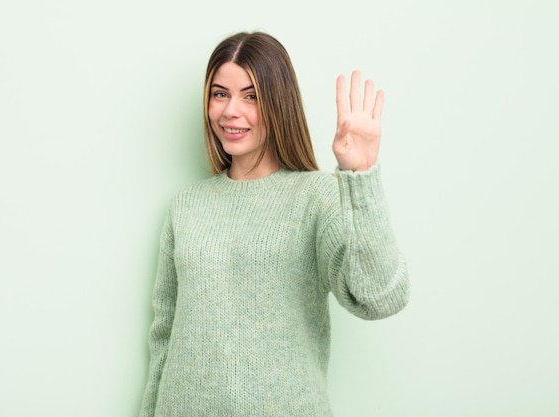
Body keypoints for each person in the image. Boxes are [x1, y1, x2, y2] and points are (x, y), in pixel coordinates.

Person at [139, 31, 410, 417]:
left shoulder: (315, 196)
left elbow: (381, 297)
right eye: (220, 94)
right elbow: (164, 336)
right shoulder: (187, 205)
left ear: (278, 102)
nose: (231, 111)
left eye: (251, 96)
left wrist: (361, 176)